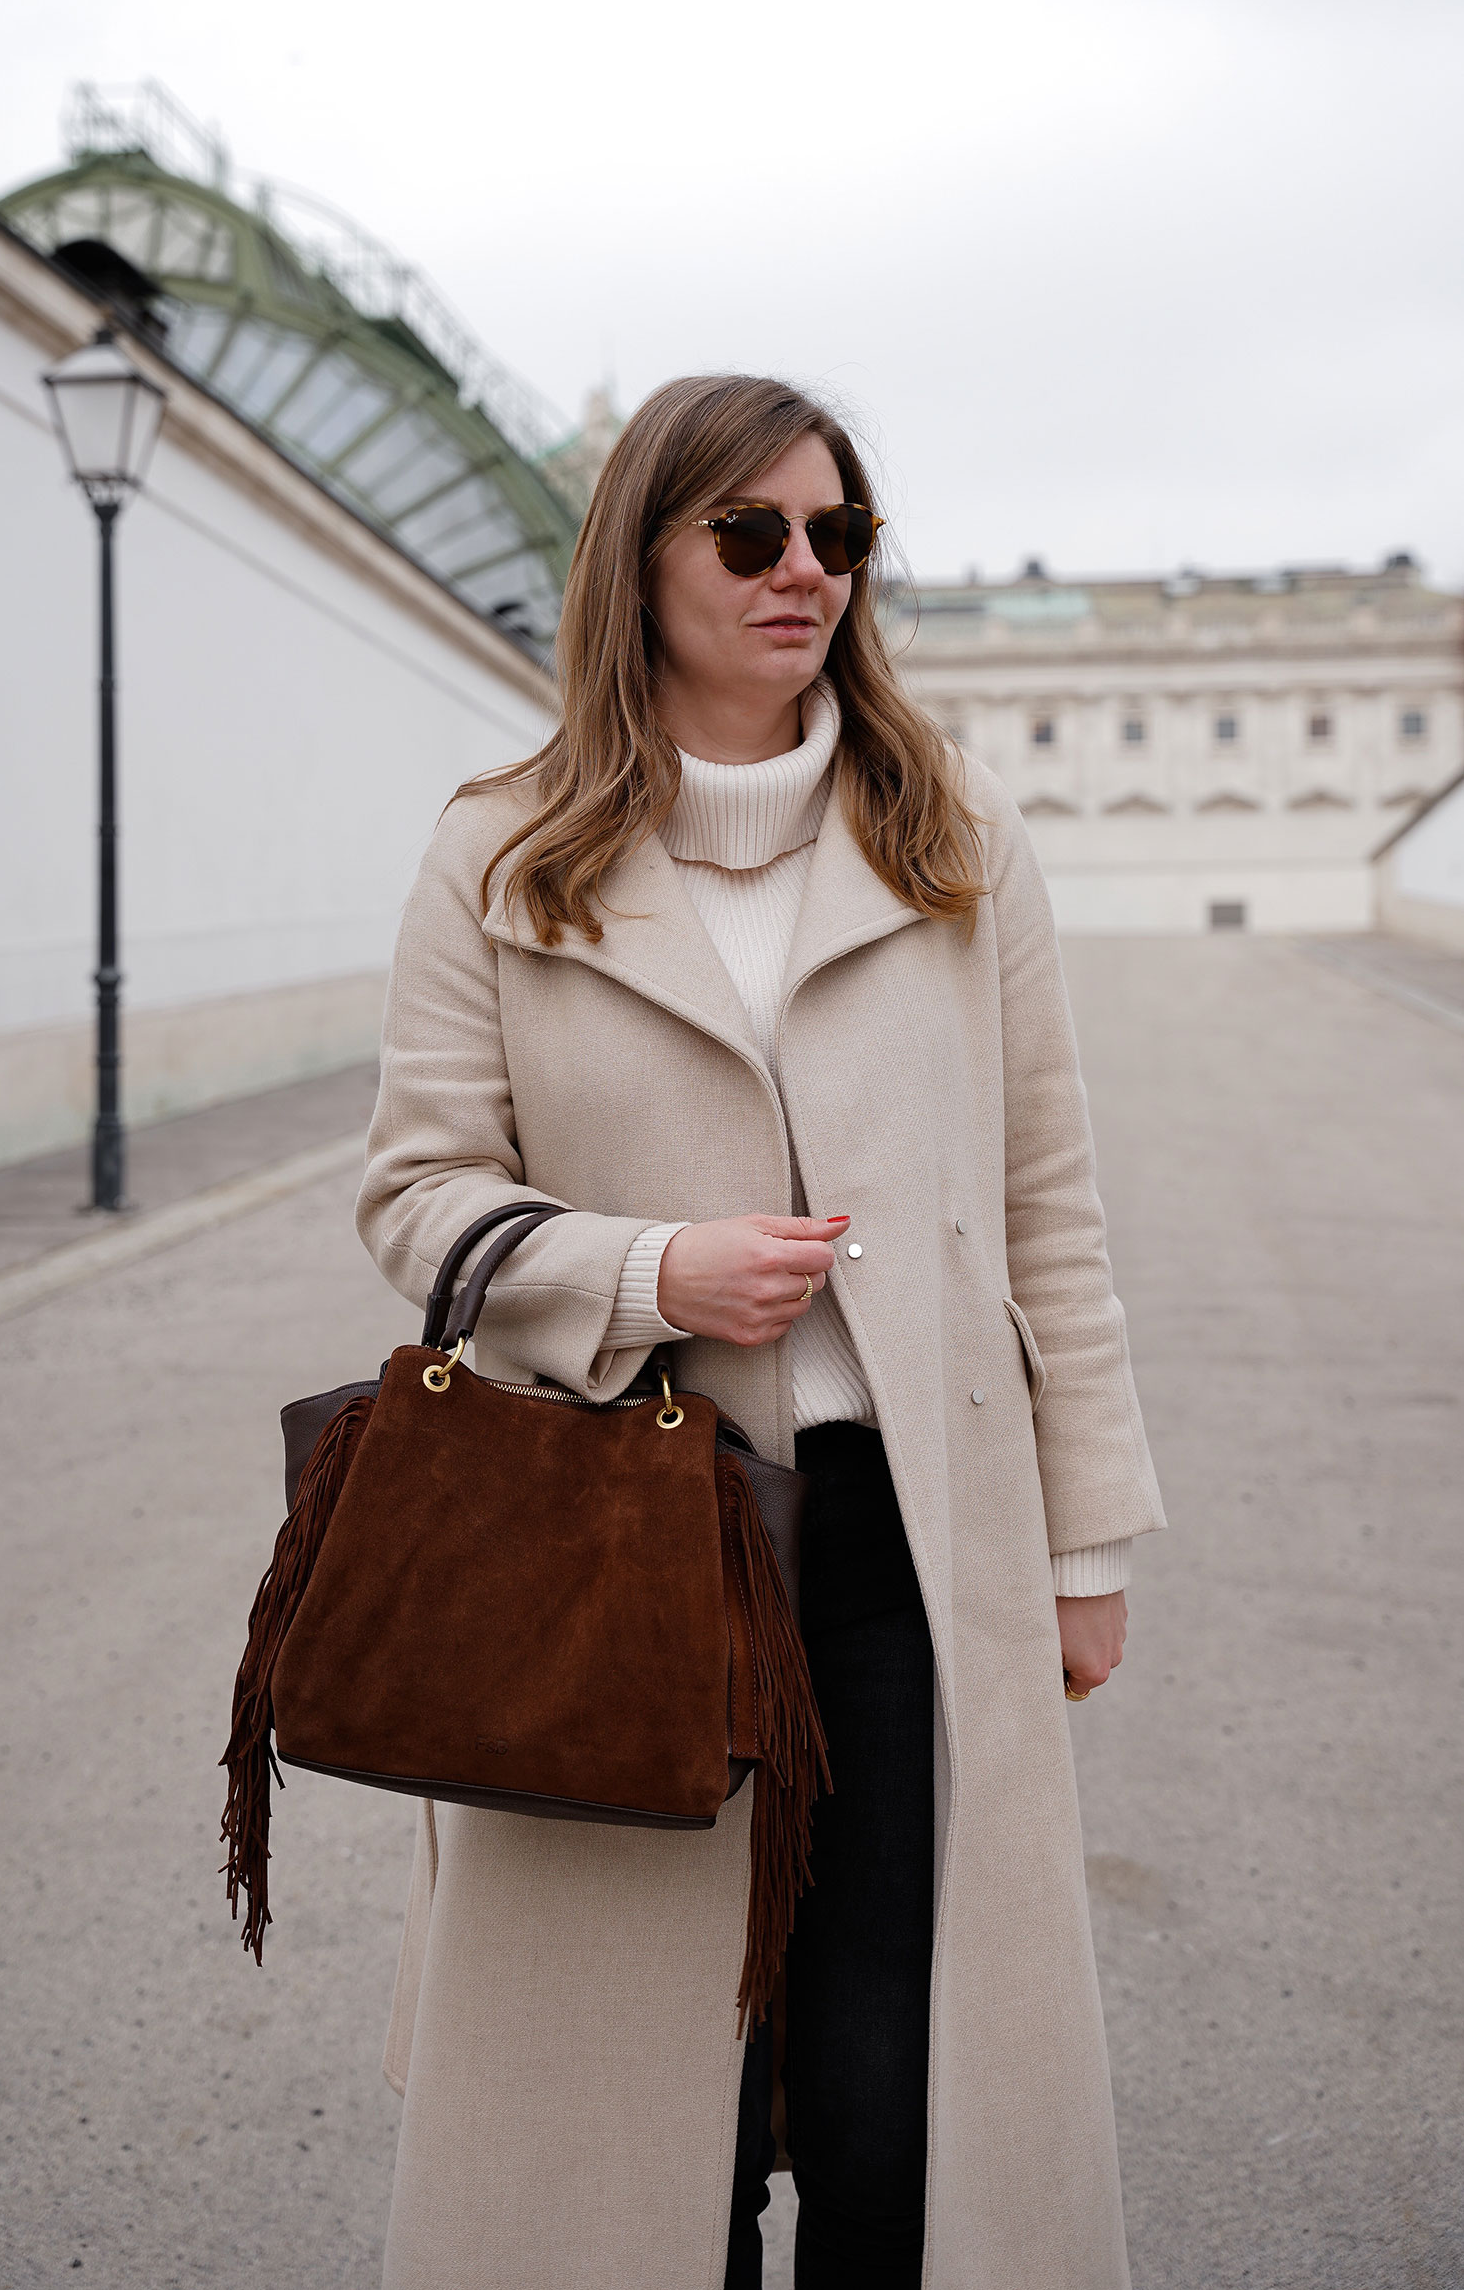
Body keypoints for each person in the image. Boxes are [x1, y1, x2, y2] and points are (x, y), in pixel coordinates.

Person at [355, 373, 1166, 2290]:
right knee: (651, 2116)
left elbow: (1048, 1207)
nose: (804, 570)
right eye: (751, 534)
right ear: (642, 560)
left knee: (895, 2091)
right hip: (623, 1534)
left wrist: (1085, 1541)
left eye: (839, 535)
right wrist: (652, 1273)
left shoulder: (957, 840)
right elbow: (413, 1195)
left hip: (914, 1532)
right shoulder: (502, 850)